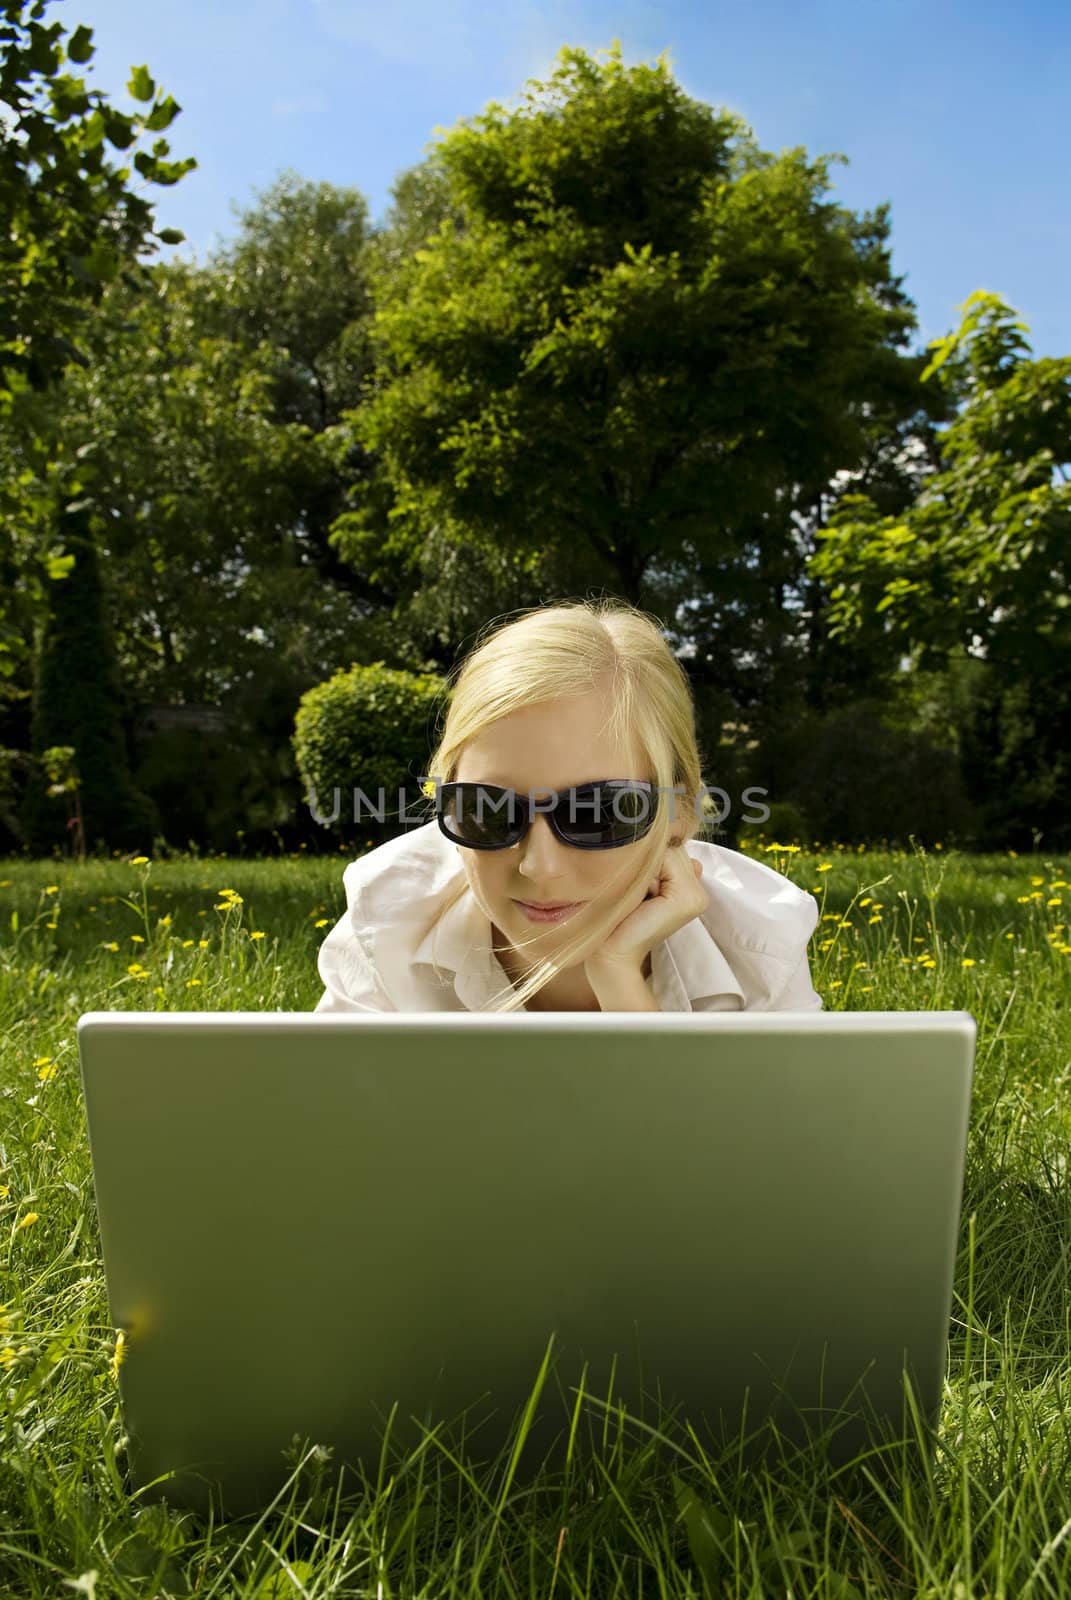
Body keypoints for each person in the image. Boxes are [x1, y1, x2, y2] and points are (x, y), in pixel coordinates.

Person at [314, 600, 823, 1014]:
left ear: (681, 812)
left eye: (597, 812)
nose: (539, 865)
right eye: (487, 810)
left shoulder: (760, 945)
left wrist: (619, 977)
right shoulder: (387, 920)